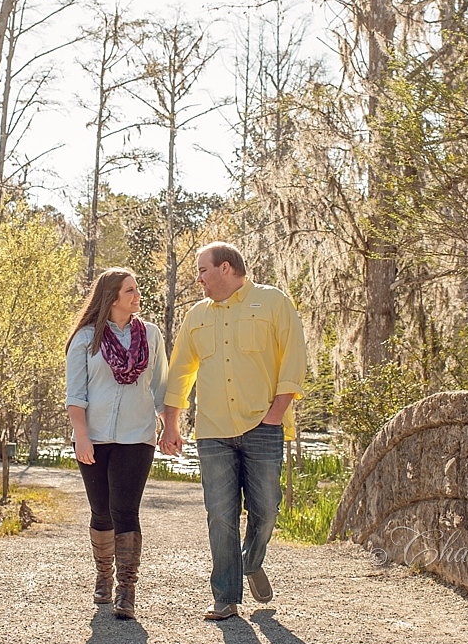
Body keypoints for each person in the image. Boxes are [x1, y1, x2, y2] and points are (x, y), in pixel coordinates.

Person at [160, 242, 306, 621]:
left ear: (226, 268)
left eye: (203, 270)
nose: (199, 279)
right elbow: (180, 372)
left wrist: (276, 413)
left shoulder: (273, 303)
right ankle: (225, 596)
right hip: (213, 431)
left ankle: (251, 561)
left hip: (263, 425)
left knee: (267, 510)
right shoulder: (196, 317)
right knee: (220, 514)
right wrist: (171, 422)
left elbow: (294, 358)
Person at [65, 267, 168, 619]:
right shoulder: (85, 339)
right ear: (111, 297)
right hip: (93, 437)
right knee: (101, 511)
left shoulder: (151, 336)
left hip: (137, 435)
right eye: (130, 291)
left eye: (137, 290)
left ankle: (127, 589)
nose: (137, 296)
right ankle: (103, 577)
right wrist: (81, 436)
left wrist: (170, 426)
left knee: (126, 510)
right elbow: (76, 395)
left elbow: (160, 389)